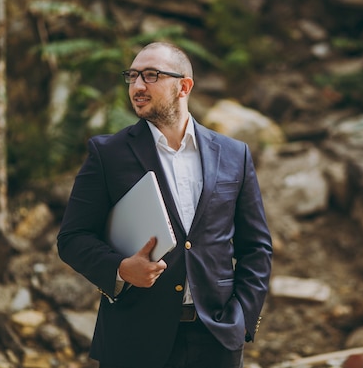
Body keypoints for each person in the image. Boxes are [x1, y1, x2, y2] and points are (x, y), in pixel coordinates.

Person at [57, 41, 273, 368]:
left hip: (216, 340)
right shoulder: (107, 154)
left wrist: (241, 317)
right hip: (133, 341)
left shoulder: (234, 155)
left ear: (183, 86)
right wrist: (120, 269)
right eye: (132, 76)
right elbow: (72, 238)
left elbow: (256, 247)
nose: (138, 86)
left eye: (151, 75)